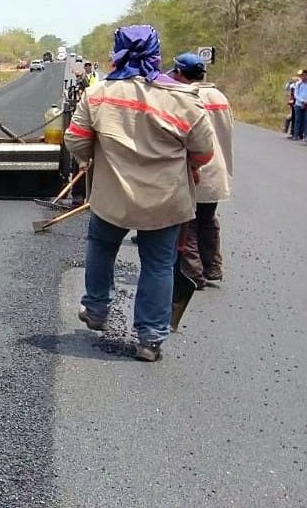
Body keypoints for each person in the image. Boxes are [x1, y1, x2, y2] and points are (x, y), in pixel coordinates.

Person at [64, 26, 214, 363]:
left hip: (111, 197)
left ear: (117, 51)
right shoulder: (183, 100)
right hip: (165, 201)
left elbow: (75, 139)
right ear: (157, 54)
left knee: (102, 248)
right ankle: (150, 339)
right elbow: (204, 153)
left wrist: (90, 156)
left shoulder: (98, 94)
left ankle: (97, 310)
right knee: (159, 266)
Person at [171, 54, 233, 287]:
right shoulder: (219, 96)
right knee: (208, 219)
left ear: (179, 73)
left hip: (196, 168)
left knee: (190, 224)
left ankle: (193, 274)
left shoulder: (187, 97)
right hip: (218, 168)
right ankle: (213, 267)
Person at [293, 69, 307, 141]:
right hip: (298, 104)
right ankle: (296, 135)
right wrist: (302, 101)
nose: (304, 77)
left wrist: (305, 102)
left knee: (305, 120)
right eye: (302, 75)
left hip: (306, 104)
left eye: (305, 75)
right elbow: (296, 95)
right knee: (298, 120)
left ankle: (305, 136)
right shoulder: (298, 84)